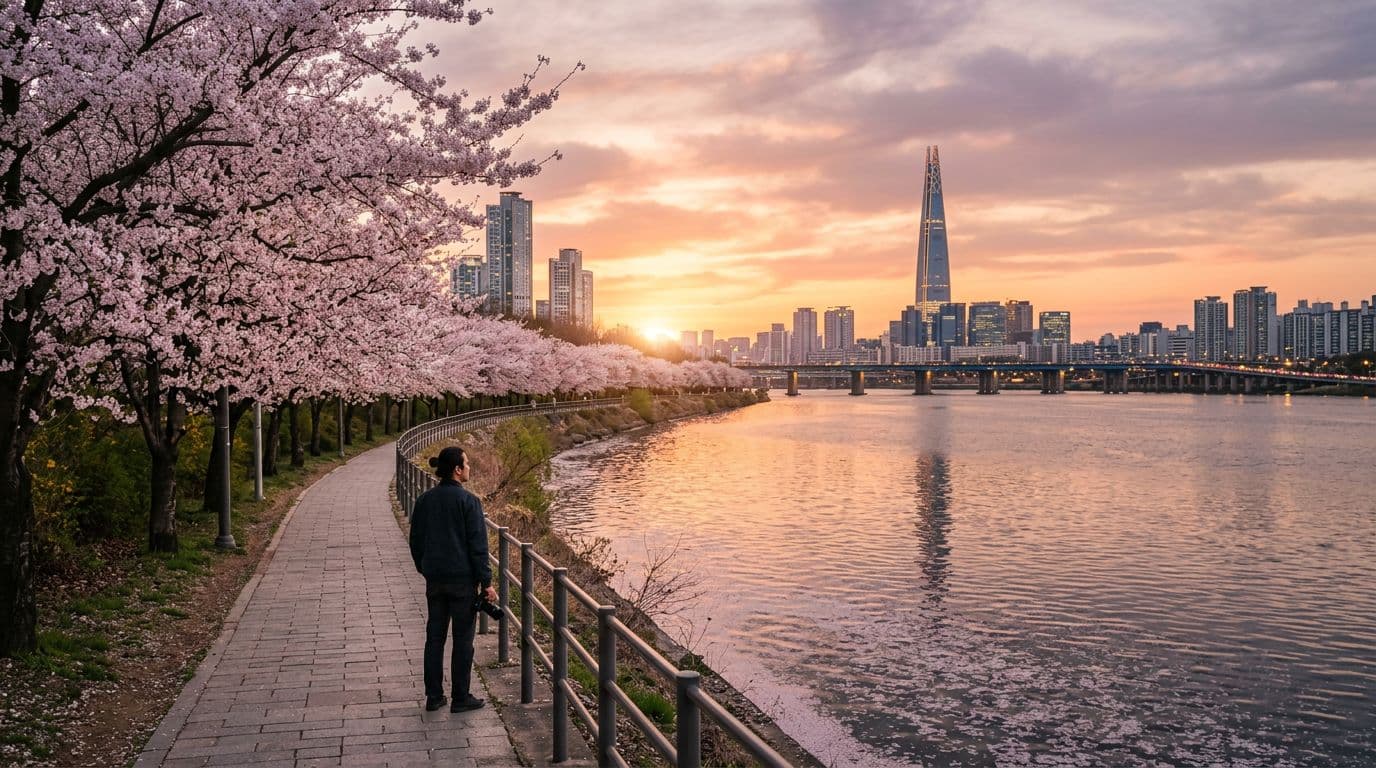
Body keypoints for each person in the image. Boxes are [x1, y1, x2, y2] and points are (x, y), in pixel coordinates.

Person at [409, 445, 498, 712]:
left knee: (434, 638)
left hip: (435, 579)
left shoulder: (425, 500)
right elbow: (478, 547)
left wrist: (425, 568)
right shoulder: (469, 502)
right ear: (457, 470)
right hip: (462, 581)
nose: (469, 467)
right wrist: (487, 582)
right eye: (467, 464)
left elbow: (416, 541)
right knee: (463, 640)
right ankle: (461, 697)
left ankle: (434, 696)